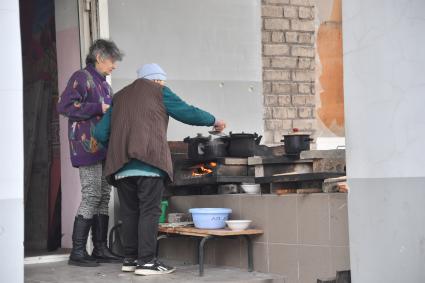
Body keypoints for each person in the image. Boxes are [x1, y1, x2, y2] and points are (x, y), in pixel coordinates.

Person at [94, 63, 226, 276]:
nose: (163, 84)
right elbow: (187, 112)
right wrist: (213, 120)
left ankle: (131, 259)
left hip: (121, 168)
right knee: (149, 211)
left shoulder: (119, 97)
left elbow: (100, 133)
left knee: (129, 213)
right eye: (162, 81)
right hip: (149, 163)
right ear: (155, 80)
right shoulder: (159, 91)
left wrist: (121, 145)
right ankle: (146, 262)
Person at [57, 39, 124, 267]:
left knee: (104, 196)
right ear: (100, 58)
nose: (114, 66)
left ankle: (100, 249)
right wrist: (99, 107)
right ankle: (77, 252)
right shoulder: (81, 77)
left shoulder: (105, 84)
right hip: (86, 147)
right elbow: (64, 106)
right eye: (112, 61)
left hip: (103, 147)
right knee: (92, 195)